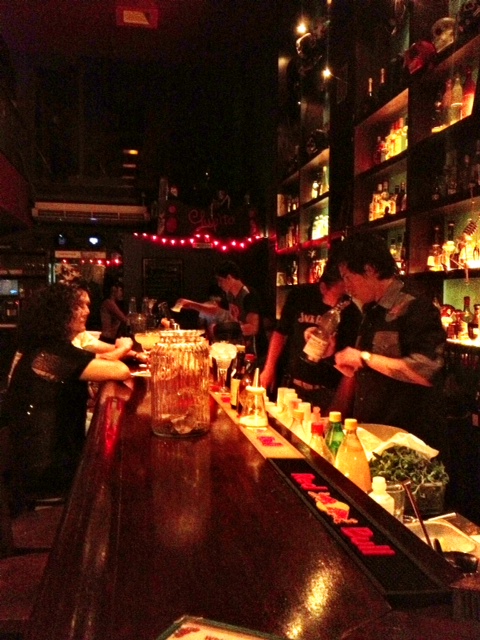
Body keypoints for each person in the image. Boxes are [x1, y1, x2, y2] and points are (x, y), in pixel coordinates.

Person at [1, 282, 131, 509]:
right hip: (47, 473)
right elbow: (120, 371)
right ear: (59, 312)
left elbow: (95, 361)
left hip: (43, 461)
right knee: (122, 470)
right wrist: (124, 347)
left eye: (87, 305)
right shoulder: (49, 355)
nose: (87, 311)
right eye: (78, 306)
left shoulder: (48, 349)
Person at [333, 232, 447, 454]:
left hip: (407, 444)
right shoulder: (371, 309)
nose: (346, 287)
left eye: (348, 277)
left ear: (370, 270)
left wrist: (364, 358)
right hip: (374, 436)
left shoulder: (415, 304)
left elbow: (427, 371)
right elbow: (366, 368)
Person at [260, 260, 361, 413]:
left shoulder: (351, 313)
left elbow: (349, 370)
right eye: (339, 295)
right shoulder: (301, 296)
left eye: (345, 296)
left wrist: (339, 405)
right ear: (323, 287)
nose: (342, 302)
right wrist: (269, 368)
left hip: (325, 392)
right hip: (292, 387)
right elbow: (281, 332)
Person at [214, 260, 268, 361]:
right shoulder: (230, 296)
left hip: (255, 350)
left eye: (220, 280)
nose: (219, 284)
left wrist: (230, 330)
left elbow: (253, 328)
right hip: (241, 348)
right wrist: (192, 304)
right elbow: (215, 310)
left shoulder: (248, 295)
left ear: (229, 278)